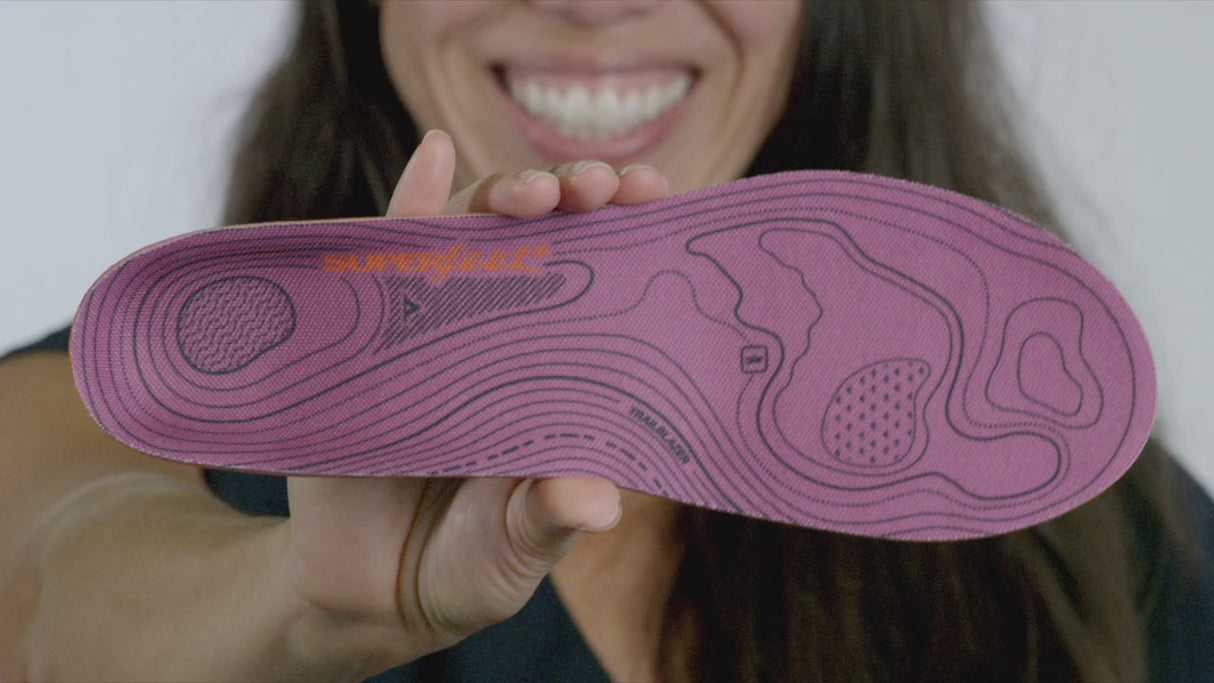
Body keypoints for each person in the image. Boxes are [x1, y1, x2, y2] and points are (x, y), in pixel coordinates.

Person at [1, 1, 1212, 681]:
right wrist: (302, 605)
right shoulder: (74, 414)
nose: (592, 3)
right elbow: (52, 594)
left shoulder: (1124, 553)